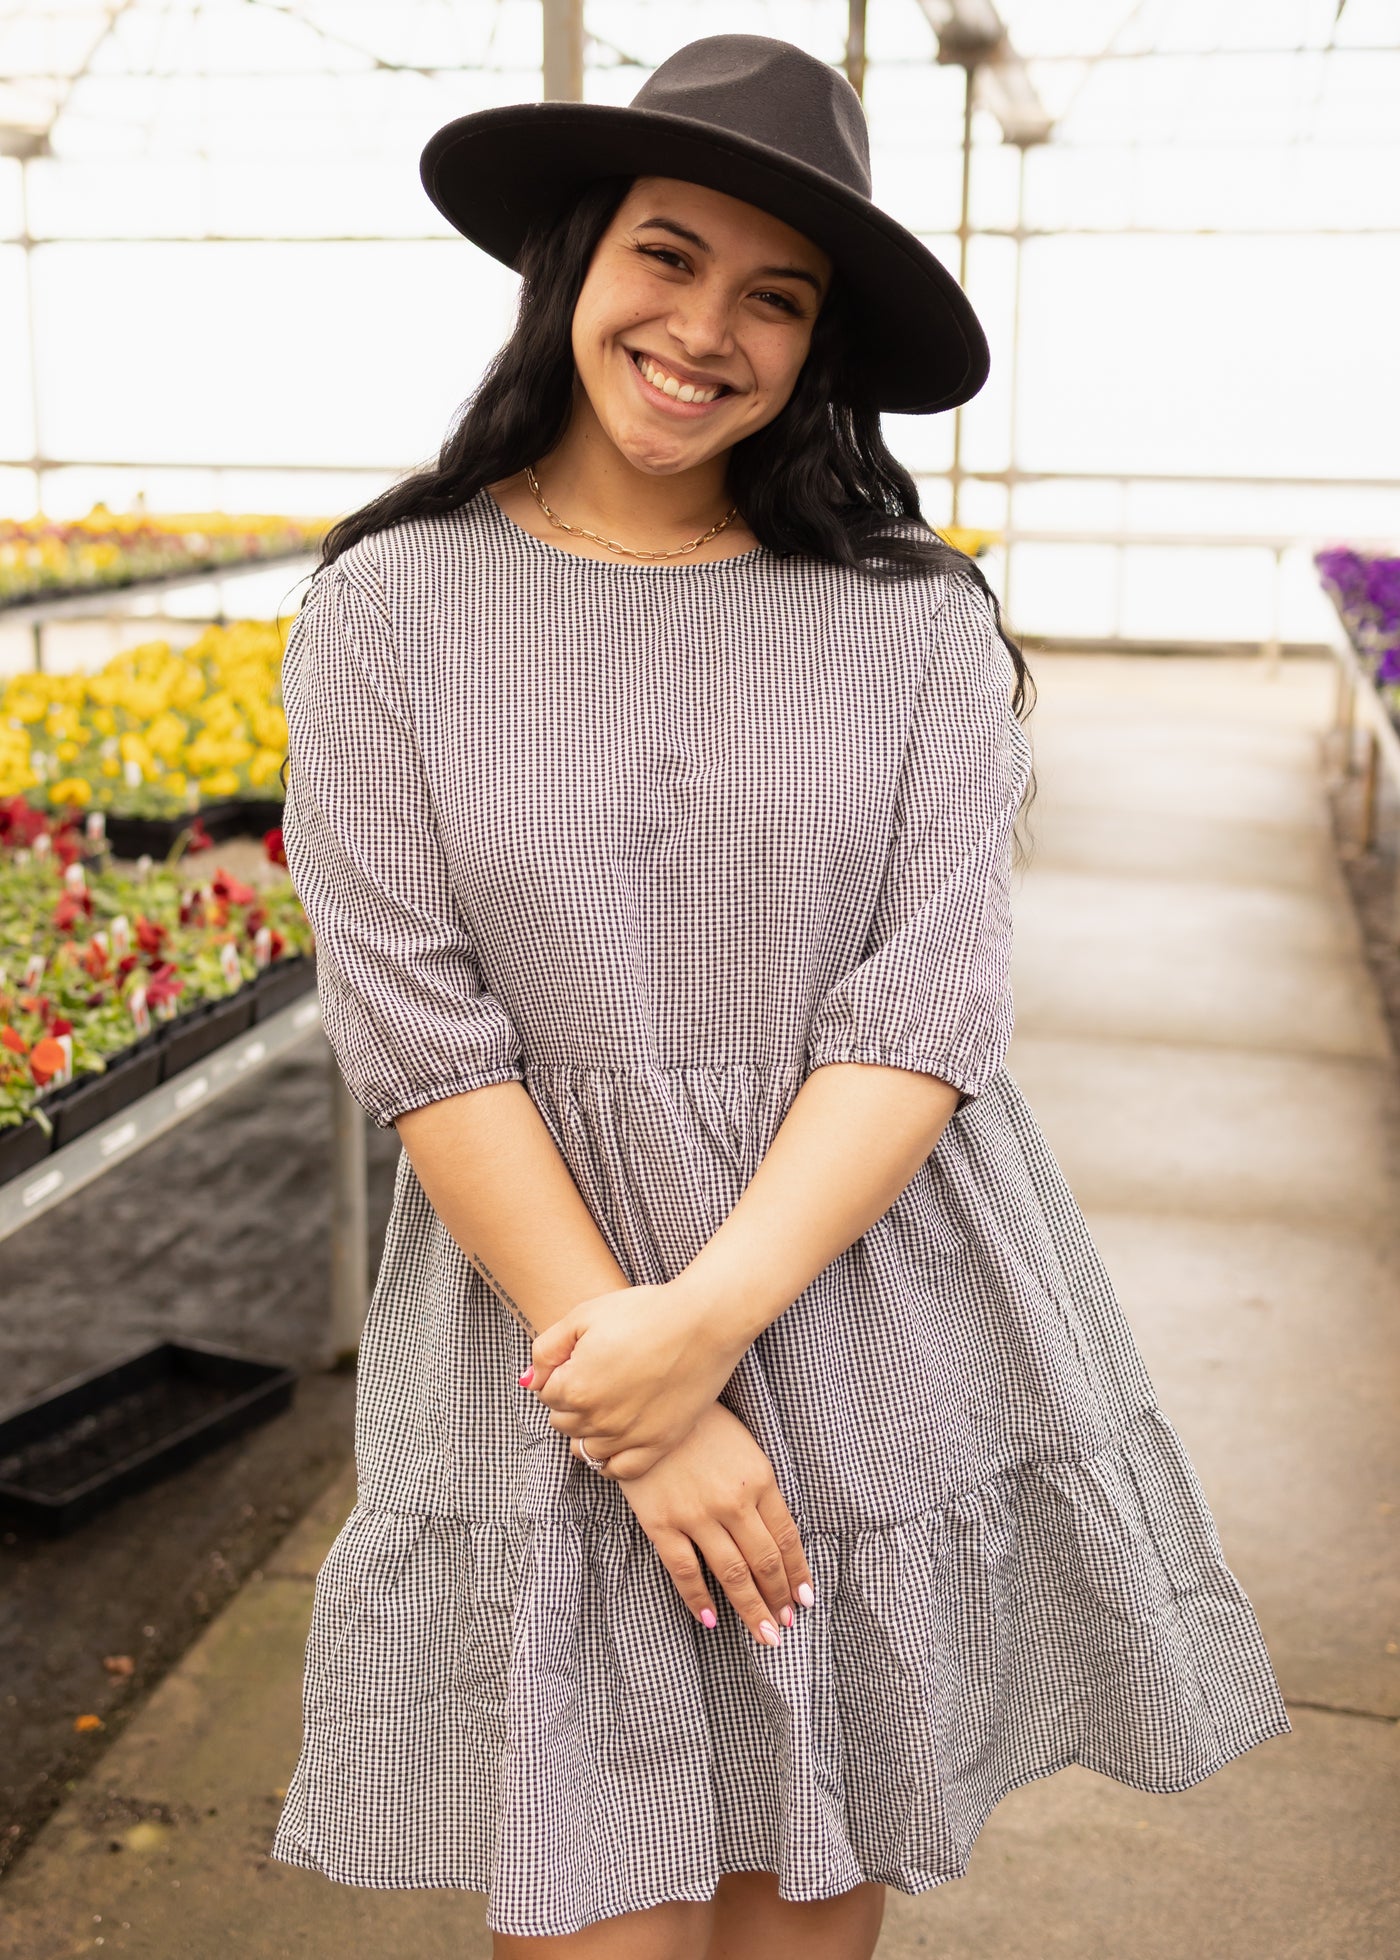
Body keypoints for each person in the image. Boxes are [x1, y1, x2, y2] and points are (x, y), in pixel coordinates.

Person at [269, 33, 1289, 1959]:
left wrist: (713, 1328)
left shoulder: (914, 622)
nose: (704, 329)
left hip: (854, 1303)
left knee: (799, 1907)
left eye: (776, 298)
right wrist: (642, 1397)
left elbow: (925, 1015)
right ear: (575, 262)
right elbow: (417, 1024)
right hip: (543, 1340)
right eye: (667, 257)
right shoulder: (387, 606)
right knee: (598, 1910)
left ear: (820, 347)